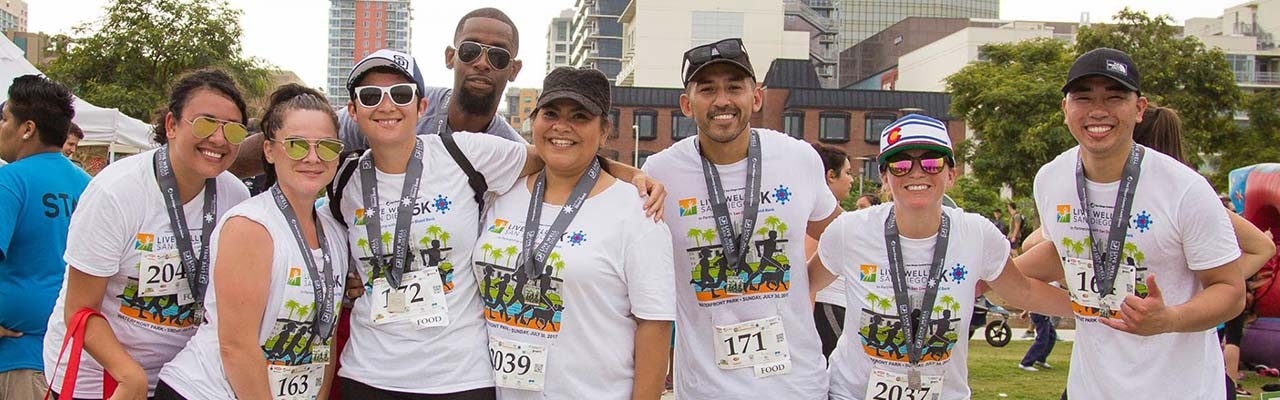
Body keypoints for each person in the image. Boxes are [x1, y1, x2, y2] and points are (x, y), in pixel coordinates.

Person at [331, 49, 660, 399]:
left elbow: (555, 154)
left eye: (401, 94)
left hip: (460, 378)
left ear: (421, 107)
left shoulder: (466, 153)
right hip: (368, 373)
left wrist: (632, 173)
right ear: (353, 111)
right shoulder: (343, 180)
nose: (386, 106)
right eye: (370, 96)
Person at [1015, 47, 1246, 399]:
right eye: (1083, 97)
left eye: (1114, 97)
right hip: (1089, 389)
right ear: (1065, 109)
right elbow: (1062, 251)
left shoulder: (1185, 189)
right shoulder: (1051, 179)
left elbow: (1230, 291)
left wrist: (1170, 319)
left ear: (1139, 109)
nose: (1097, 110)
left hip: (1180, 390)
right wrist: (991, 276)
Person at [810, 114, 1071, 399]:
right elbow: (805, 286)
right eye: (901, 164)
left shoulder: (977, 234)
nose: (917, 172)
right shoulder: (849, 231)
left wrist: (1092, 312)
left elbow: (1023, 291)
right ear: (884, 177)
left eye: (932, 162)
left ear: (951, 174)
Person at [641, 38, 843, 400]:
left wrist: (805, 282)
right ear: (687, 104)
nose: (722, 101)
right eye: (708, 89)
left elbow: (841, 236)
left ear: (757, 97)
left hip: (796, 385)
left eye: (735, 87)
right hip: (707, 388)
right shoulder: (660, 172)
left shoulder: (798, 158)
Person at [43, 69, 252, 399]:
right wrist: (130, 376)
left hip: (182, 379)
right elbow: (80, 309)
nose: (218, 139)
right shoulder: (117, 192)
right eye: (205, 123)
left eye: (234, 129)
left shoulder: (236, 198)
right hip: (101, 378)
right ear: (171, 125)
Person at [471, 66, 675, 399]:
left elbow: (654, 326)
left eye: (580, 116)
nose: (561, 127)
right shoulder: (501, 194)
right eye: (550, 113)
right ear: (534, 120)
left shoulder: (637, 211)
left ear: (605, 131)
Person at [155, 85, 350, 399]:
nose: (313, 157)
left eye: (326, 146)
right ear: (270, 151)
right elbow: (237, 348)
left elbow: (324, 339)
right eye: (297, 145)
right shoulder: (251, 227)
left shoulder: (335, 233)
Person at [230, 7, 527, 179]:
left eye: (498, 56)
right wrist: (212, 168)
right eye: (470, 50)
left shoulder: (510, 149)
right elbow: (309, 135)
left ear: (513, 69)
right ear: (451, 57)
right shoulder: (400, 103)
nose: (482, 63)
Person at [0, 75, 89, 400]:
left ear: (27, 128)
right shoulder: (89, 185)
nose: (1, 126)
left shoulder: (8, 181)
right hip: (73, 356)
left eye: (5, 118)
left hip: (16, 356)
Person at [807, 142, 852, 360]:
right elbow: (807, 274)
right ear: (830, 176)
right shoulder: (817, 217)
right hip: (827, 308)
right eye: (847, 172)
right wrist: (805, 321)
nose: (852, 180)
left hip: (835, 306)